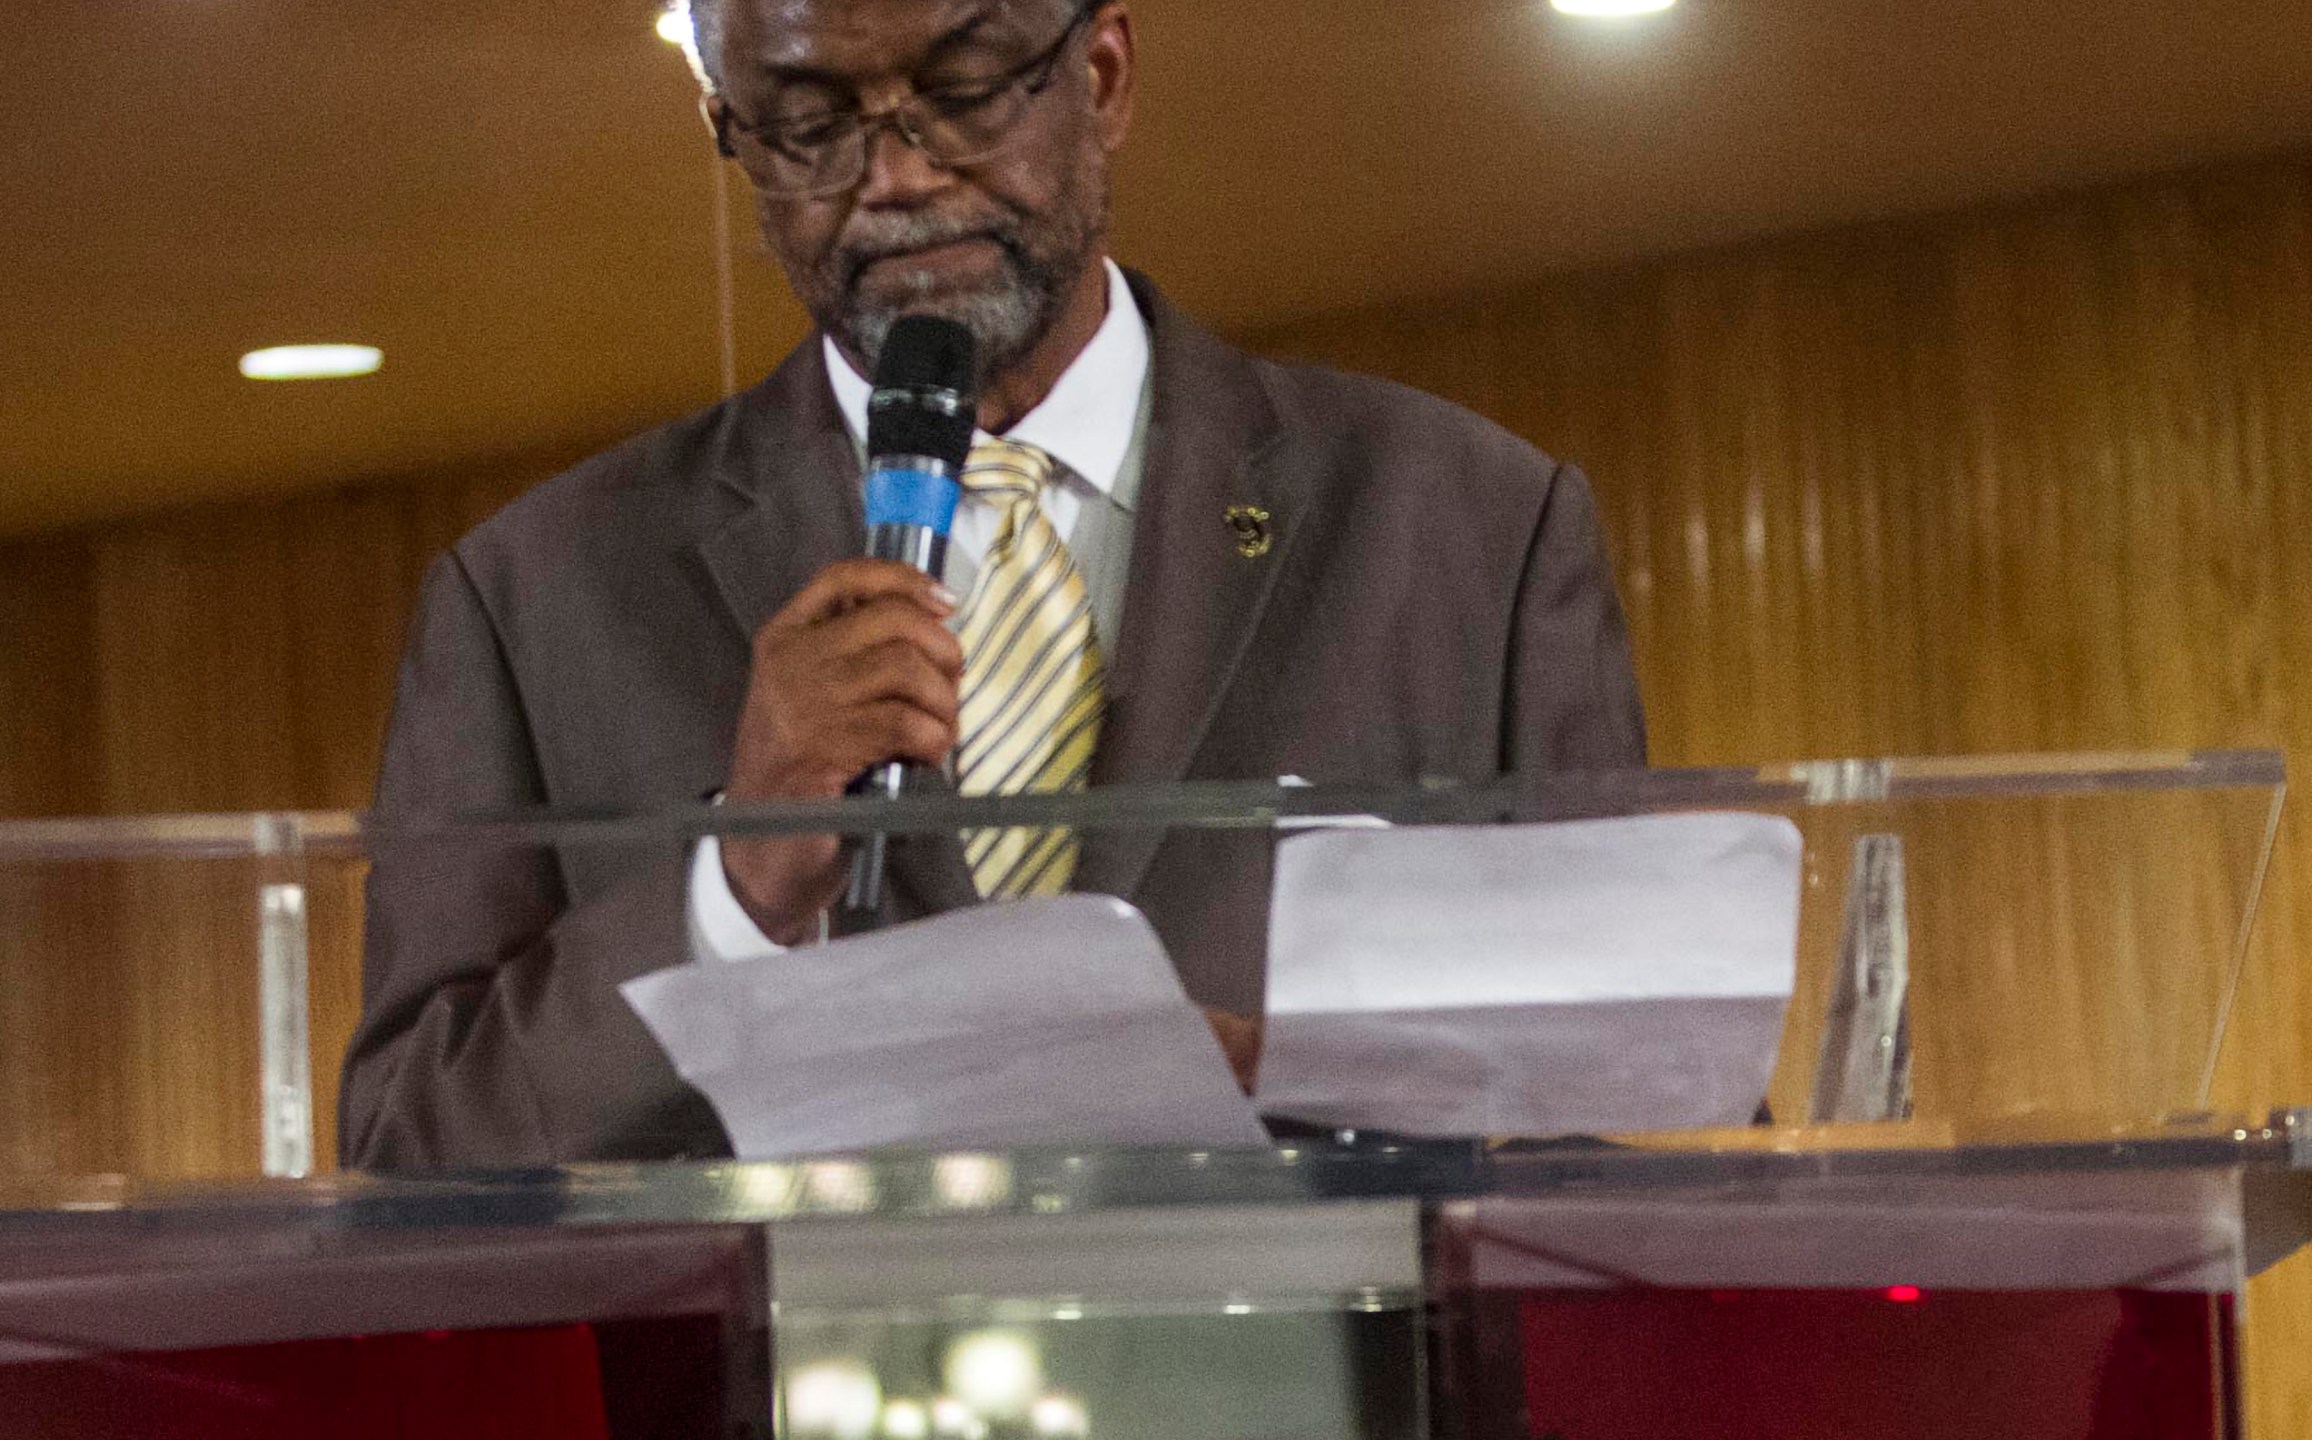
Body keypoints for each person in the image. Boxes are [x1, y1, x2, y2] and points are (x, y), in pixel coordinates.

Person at [339, 0, 1646, 1170]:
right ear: (729, 127)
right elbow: (409, 1160)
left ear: (1105, 71)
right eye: (805, 127)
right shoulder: (534, 599)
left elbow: (1645, 1110)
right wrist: (730, 887)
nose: (896, 178)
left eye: (965, 91)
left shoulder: (1471, 526)